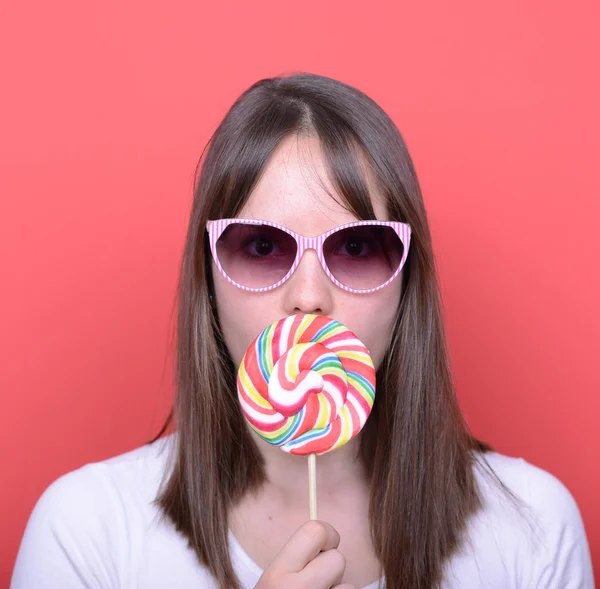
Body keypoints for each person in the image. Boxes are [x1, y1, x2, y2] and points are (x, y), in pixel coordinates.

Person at [10, 72, 595, 589]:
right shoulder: (86, 532)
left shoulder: (533, 528)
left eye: (358, 245)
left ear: (407, 282)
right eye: (262, 246)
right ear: (206, 279)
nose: (309, 297)